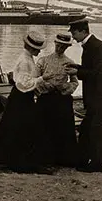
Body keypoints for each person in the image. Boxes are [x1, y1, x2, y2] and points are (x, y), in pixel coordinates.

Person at [0, 29, 52, 174]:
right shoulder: (25, 61)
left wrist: (38, 87)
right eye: (37, 49)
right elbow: (23, 84)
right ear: (31, 47)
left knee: (15, 127)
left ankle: (9, 158)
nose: (39, 52)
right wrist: (42, 79)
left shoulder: (27, 58)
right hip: (21, 96)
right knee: (25, 127)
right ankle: (21, 162)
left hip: (21, 96)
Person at [65, 18, 102, 172]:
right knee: (88, 129)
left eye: (74, 33)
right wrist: (77, 67)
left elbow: (98, 73)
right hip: (100, 96)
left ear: (83, 31)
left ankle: (96, 165)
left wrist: (78, 71)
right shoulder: (92, 45)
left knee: (98, 131)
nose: (73, 37)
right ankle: (85, 161)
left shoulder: (96, 47)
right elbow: (93, 69)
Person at [35, 32, 79, 167]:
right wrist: (43, 87)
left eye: (63, 47)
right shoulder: (43, 60)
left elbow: (75, 82)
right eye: (58, 45)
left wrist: (66, 89)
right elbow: (35, 79)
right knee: (44, 128)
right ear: (54, 44)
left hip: (62, 99)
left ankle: (63, 159)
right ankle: (44, 159)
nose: (60, 48)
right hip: (46, 98)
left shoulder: (70, 63)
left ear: (67, 47)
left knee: (63, 128)